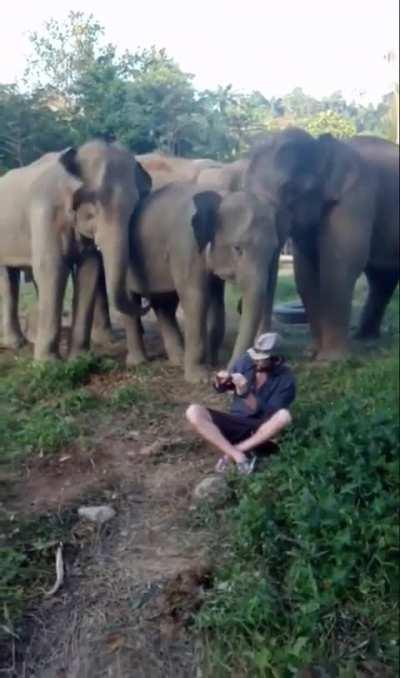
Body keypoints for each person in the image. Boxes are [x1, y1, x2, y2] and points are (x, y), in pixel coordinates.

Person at [186, 333, 295, 475]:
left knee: (284, 416)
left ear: (277, 360)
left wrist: (245, 394)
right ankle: (238, 456)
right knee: (194, 411)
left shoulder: (286, 380)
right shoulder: (245, 362)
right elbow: (221, 388)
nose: (256, 361)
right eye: (255, 357)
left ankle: (232, 452)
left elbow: (269, 415)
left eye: (262, 359)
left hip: (261, 429)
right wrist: (220, 381)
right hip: (236, 421)